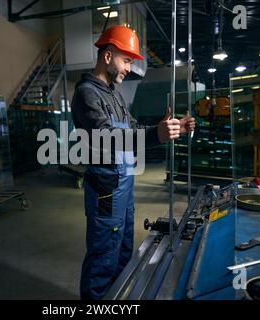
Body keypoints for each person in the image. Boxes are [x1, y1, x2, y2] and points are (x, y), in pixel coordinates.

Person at [71, 25, 195, 300]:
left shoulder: (113, 93)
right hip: (105, 188)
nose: (129, 68)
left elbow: (132, 126)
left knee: (124, 249)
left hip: (123, 185)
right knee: (104, 254)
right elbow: (107, 136)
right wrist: (154, 135)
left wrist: (166, 127)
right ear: (107, 55)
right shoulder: (86, 94)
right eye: (126, 60)